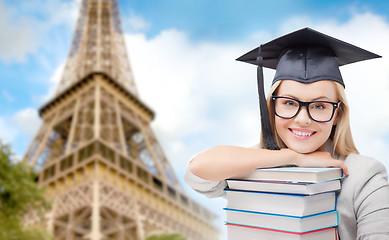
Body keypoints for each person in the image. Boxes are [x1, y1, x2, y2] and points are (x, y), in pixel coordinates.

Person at [184, 28, 389, 240]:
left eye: (319, 106)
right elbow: (197, 170)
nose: (303, 118)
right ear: (272, 108)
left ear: (337, 114)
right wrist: (294, 158)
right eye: (289, 103)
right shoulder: (251, 162)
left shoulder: (364, 175)